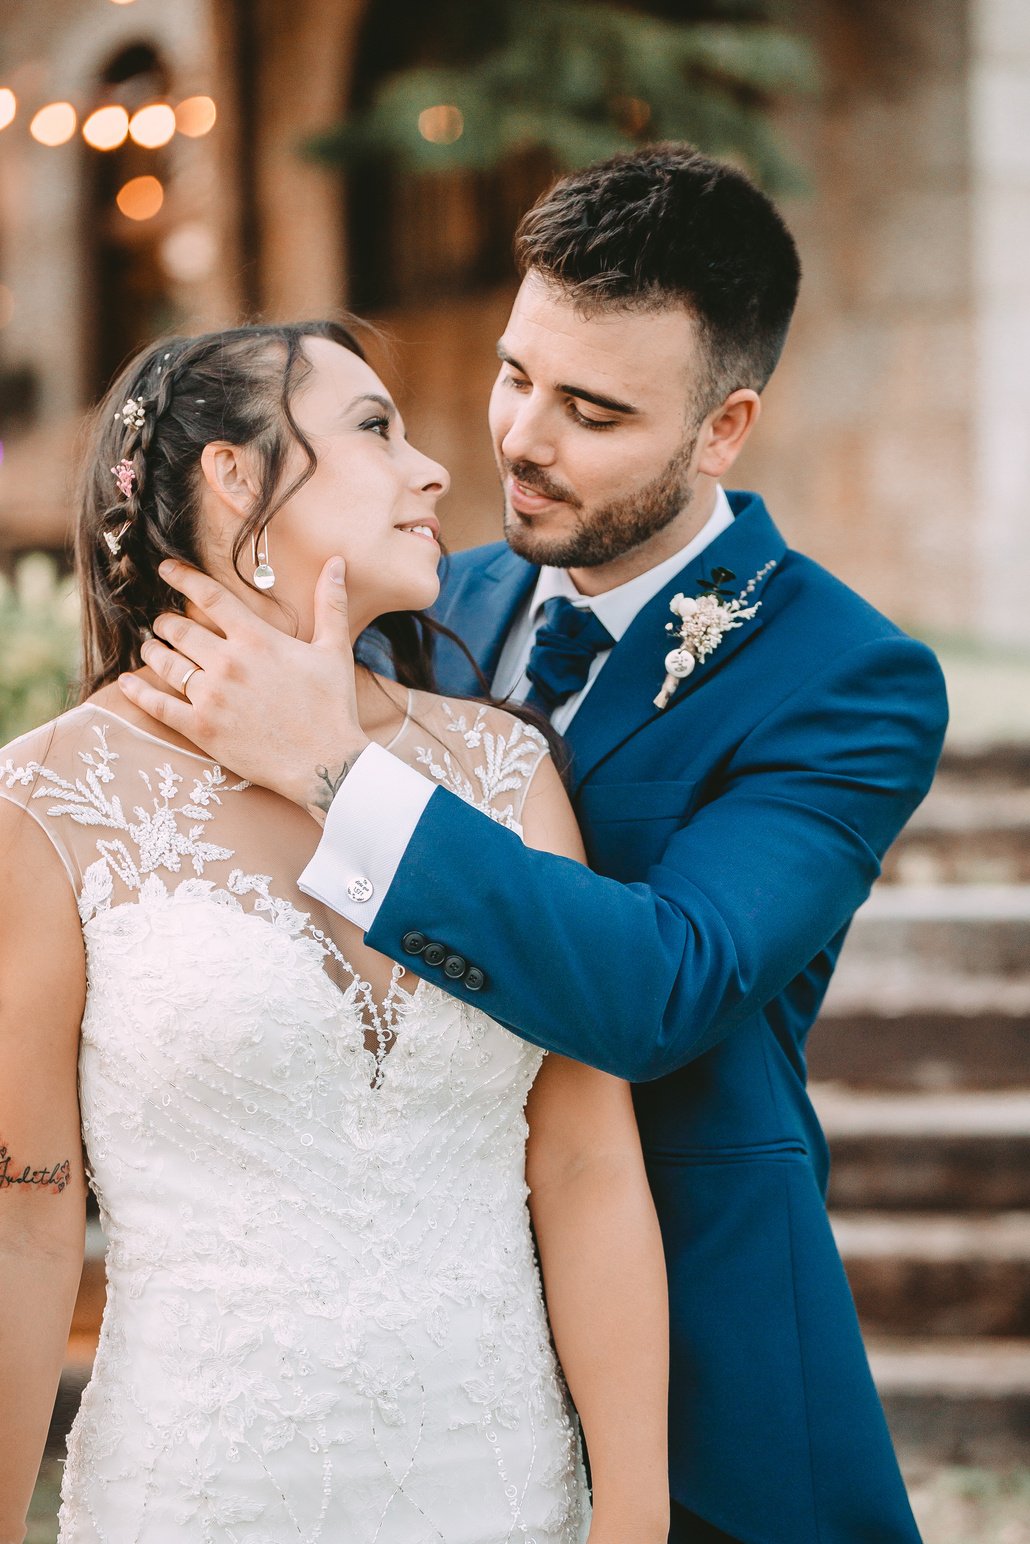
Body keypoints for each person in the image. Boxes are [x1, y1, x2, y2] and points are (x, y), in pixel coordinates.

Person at [133, 146, 950, 1543]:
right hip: (417, 1357)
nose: (518, 437)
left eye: (591, 409)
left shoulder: (849, 682)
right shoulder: (425, 592)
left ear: (722, 428)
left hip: (701, 1368)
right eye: (517, 372)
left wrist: (334, 769)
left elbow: (664, 988)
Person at [0, 319, 671, 1544]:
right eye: (374, 428)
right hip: (198, 1487)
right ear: (237, 477)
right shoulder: (47, 802)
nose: (433, 471)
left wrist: (632, 1507)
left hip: (501, 1480)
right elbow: (24, 1216)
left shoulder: (502, 771)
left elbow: (583, 1164)